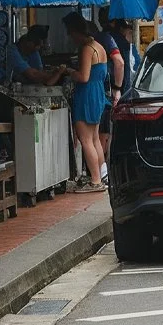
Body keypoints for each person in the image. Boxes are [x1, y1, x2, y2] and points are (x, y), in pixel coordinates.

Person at [63, 14, 109, 193]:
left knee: (85, 139)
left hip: (86, 94)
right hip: (97, 94)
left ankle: (95, 181)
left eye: (70, 33)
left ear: (76, 32)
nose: (70, 37)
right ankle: (99, 177)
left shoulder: (86, 49)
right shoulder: (99, 47)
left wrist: (68, 71)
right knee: (95, 138)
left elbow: (83, 76)